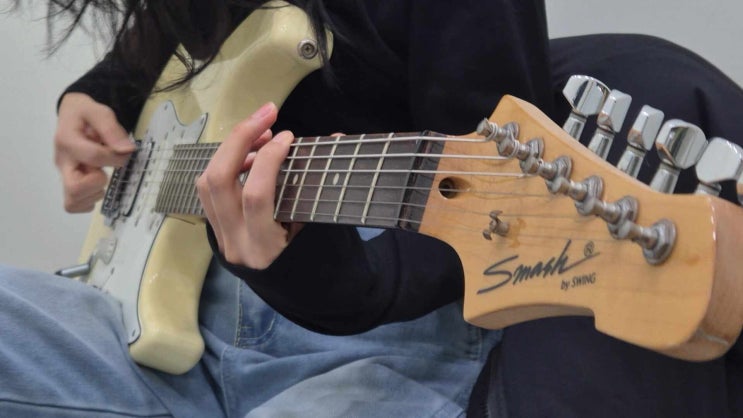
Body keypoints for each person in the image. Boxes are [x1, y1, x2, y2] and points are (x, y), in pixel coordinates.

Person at [3, 2, 742, 418]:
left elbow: (482, 212)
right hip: (174, 300)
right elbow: (180, 33)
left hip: (383, 332)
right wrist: (94, 95)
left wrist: (299, 268)